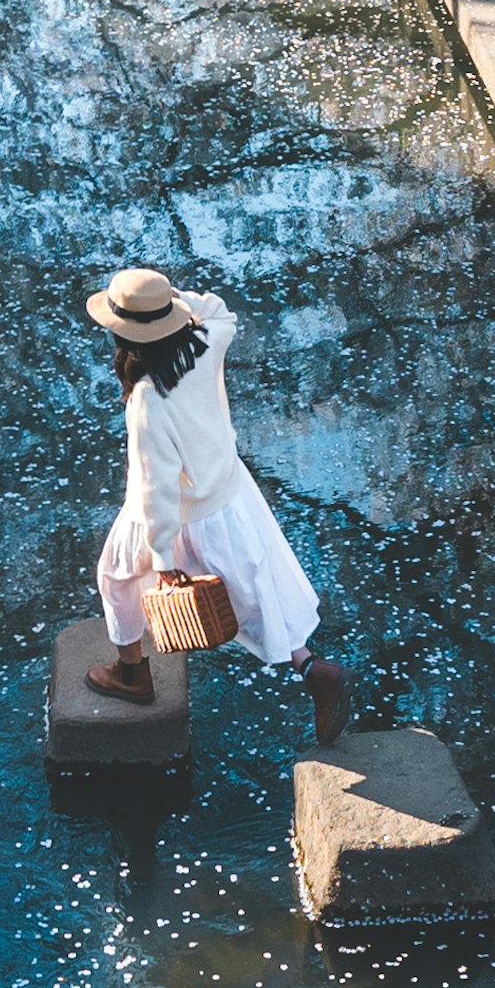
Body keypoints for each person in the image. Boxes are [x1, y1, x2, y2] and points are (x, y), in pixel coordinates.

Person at [83, 259, 348, 740]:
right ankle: (313, 671)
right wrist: (171, 303)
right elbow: (221, 311)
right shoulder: (204, 344)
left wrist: (162, 559)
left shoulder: (147, 399)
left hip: (184, 515)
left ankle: (133, 675)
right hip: (232, 497)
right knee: (260, 597)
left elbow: (154, 489)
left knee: (116, 573)